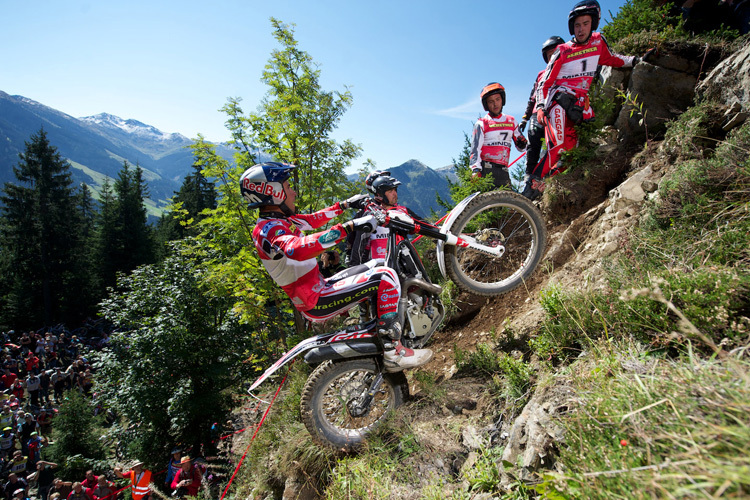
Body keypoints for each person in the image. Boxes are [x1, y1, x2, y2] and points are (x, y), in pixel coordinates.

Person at [242, 162, 433, 372]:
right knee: (385, 276)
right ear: (273, 192)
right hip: (316, 299)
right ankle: (393, 352)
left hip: (319, 287)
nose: (293, 192)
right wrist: (349, 227)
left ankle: (391, 326)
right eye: (288, 186)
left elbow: (312, 220)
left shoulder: (278, 221)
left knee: (378, 264)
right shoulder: (267, 231)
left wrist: (345, 205)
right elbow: (296, 249)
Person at [526, 0, 643, 199]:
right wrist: (540, 107)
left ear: (593, 24)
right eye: (577, 25)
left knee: (570, 153)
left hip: (579, 105)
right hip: (558, 102)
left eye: (586, 24)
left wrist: (636, 60)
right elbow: (545, 83)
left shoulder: (599, 42)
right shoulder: (562, 51)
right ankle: (530, 189)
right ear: (572, 27)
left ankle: (544, 190)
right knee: (558, 145)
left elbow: (613, 59)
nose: (581, 29)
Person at [519, 36, 566, 199]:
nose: (552, 57)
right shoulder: (541, 74)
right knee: (533, 138)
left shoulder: (568, 72)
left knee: (553, 144)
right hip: (538, 112)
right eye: (549, 55)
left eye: (555, 53)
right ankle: (528, 180)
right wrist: (525, 118)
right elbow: (532, 97)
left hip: (558, 111)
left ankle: (546, 177)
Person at [469, 83, 528, 189]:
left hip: (504, 170)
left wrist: (522, 143)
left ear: (502, 100)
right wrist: (475, 170)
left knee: (508, 202)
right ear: (486, 104)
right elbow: (475, 149)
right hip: (486, 170)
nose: (495, 104)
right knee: (488, 203)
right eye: (491, 101)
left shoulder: (511, 121)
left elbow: (521, 148)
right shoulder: (482, 123)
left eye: (497, 99)